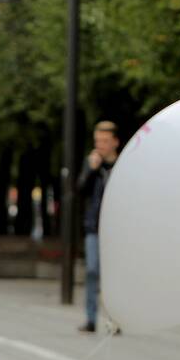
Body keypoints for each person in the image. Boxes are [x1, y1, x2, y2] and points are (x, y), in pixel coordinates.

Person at [77, 120, 120, 333]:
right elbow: (80, 190)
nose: (100, 145)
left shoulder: (123, 165)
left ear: (115, 142)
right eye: (97, 141)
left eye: (105, 141)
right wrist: (91, 170)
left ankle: (115, 319)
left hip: (117, 229)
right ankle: (91, 318)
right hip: (94, 226)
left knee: (114, 275)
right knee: (93, 270)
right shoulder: (91, 163)